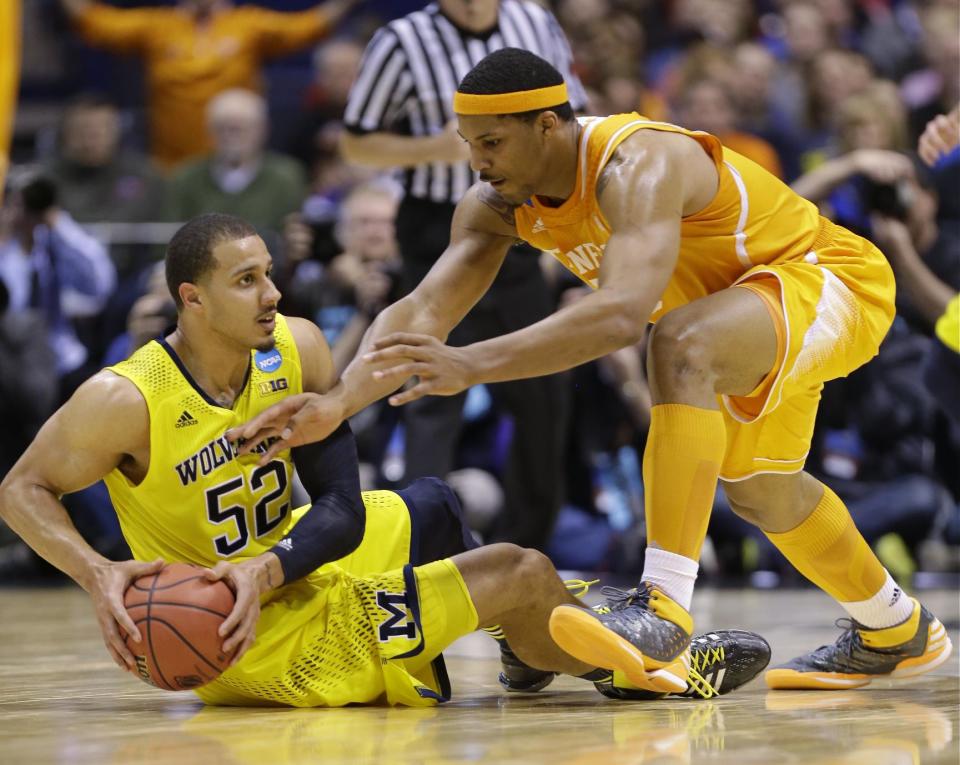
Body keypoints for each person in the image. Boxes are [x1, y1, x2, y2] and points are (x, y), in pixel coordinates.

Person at [233, 48, 952, 694]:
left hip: (830, 280)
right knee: (762, 491)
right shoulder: (495, 203)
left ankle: (663, 605)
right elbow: (421, 310)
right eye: (468, 144)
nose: (477, 162)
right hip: (743, 319)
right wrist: (339, 401)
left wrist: (472, 364)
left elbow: (617, 316)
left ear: (549, 126)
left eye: (491, 142)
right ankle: (895, 627)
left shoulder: (634, 162)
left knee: (677, 344)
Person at [0, 212, 769, 705]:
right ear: (191, 300)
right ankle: (646, 673)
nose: (271, 292)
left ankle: (533, 647)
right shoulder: (124, 398)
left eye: (268, 271)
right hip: (248, 642)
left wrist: (269, 567)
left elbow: (342, 508)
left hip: (283, 570)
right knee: (519, 572)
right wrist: (96, 572)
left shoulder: (294, 347)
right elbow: (20, 487)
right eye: (246, 281)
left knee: (431, 502)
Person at [340, 0, 588, 551]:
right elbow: (356, 141)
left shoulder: (535, 21)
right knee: (429, 390)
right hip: (435, 225)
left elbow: (574, 117)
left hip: (526, 219)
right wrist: (458, 142)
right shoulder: (401, 40)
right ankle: (423, 548)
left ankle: (524, 552)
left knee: (543, 394)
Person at [60, 0, 356, 167]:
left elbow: (311, 26)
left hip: (238, 164)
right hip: (172, 167)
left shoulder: (248, 25)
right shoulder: (156, 27)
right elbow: (94, 22)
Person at [166, 89, 307, 249]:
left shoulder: (286, 177)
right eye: (222, 128)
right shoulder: (186, 177)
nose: (230, 137)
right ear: (208, 131)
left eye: (239, 129)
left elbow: (293, 238)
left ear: (263, 129)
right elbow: (167, 239)